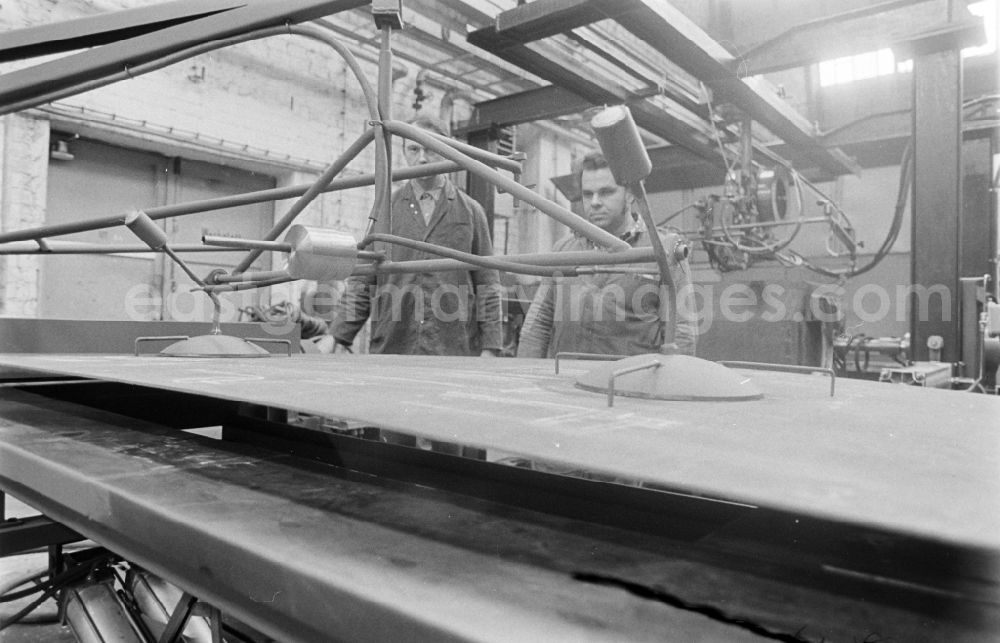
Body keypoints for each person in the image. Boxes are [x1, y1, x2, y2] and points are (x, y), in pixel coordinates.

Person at [331, 116, 502, 357]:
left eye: (431, 149)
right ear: (404, 153)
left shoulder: (471, 212)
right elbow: (364, 278)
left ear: (446, 150)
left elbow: (488, 283)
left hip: (452, 347)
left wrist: (491, 347)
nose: (422, 158)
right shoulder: (386, 208)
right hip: (394, 344)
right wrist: (339, 335)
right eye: (413, 149)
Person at [517, 151, 697, 358]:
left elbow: (682, 332)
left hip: (627, 384)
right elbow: (537, 324)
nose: (594, 202)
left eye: (605, 192)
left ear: (630, 194)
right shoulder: (564, 250)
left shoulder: (664, 249)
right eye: (587, 194)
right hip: (564, 379)